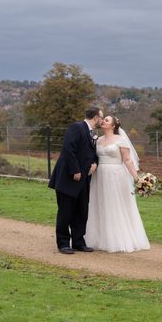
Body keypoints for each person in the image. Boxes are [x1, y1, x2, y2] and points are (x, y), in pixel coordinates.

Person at [84, 116, 150, 252]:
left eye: (107, 120)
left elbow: (127, 160)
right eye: (103, 119)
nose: (103, 121)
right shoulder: (98, 140)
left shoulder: (121, 140)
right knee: (99, 203)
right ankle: (99, 238)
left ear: (113, 125)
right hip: (99, 175)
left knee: (115, 204)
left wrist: (137, 178)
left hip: (115, 175)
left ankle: (118, 239)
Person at [49, 107, 103, 254]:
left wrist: (95, 163)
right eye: (101, 117)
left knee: (81, 211)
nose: (102, 120)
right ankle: (63, 243)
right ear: (95, 117)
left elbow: (92, 153)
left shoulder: (92, 133)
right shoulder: (76, 127)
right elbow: (68, 149)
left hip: (84, 179)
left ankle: (79, 242)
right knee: (65, 212)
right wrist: (75, 170)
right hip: (69, 177)